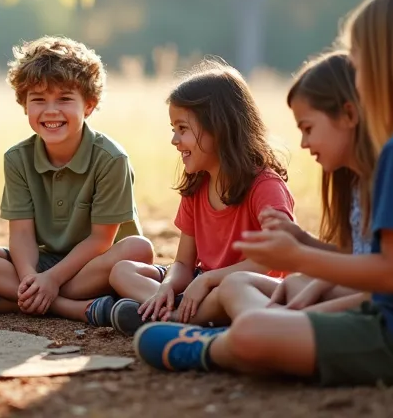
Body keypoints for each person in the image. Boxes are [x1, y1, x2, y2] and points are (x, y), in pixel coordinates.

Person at [134, 0, 393, 387]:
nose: (354, 73)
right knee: (282, 293)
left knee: (253, 332)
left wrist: (299, 257)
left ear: (388, 62)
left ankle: (215, 348)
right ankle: (260, 333)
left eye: (358, 59)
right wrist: (305, 247)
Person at [0, 36, 154, 325]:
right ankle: (74, 308)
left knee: (139, 248)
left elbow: (101, 240)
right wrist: (31, 279)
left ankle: (8, 300)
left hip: (96, 265)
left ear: (89, 105)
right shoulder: (17, 158)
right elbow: (21, 234)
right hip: (43, 262)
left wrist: (51, 281)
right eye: (38, 99)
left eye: (64, 98)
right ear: (24, 105)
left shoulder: (111, 159)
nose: (51, 110)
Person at [104, 60, 295, 335]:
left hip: (246, 286)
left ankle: (173, 318)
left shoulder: (265, 187)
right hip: (199, 283)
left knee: (226, 291)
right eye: (173, 129)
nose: (174, 140)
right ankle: (174, 312)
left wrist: (209, 282)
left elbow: (278, 257)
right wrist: (168, 287)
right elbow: (183, 263)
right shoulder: (197, 186)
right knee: (121, 271)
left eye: (182, 129)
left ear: (219, 128)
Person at [214, 51, 373, 318]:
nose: (303, 143)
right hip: (352, 293)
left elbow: (382, 281)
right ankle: (263, 327)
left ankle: (254, 331)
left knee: (268, 303)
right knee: (240, 283)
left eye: (308, 129)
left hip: (374, 305)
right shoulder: (355, 185)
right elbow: (353, 257)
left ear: (348, 114)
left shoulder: (387, 181)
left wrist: (299, 259)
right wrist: (302, 239)